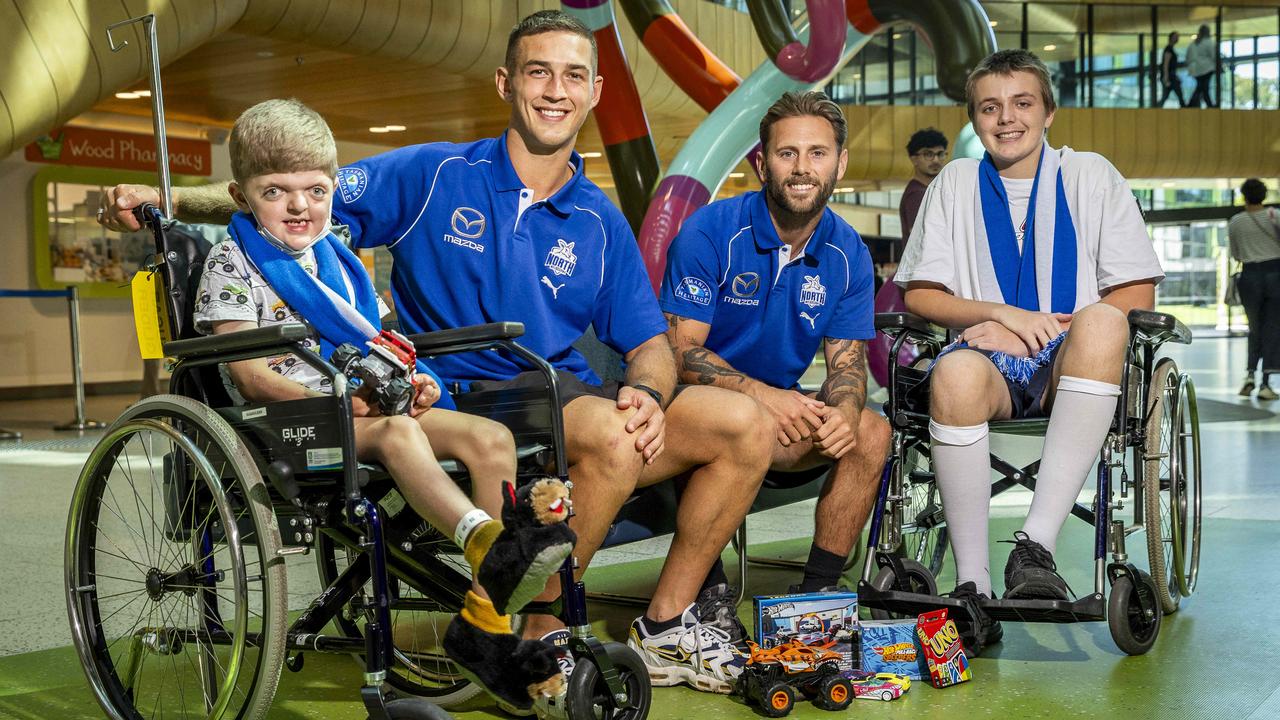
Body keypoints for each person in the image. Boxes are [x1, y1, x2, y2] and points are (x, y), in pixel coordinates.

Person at [101, 11, 773, 695]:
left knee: (744, 426)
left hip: (552, 388)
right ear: (506, 81)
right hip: (458, 384)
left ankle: (664, 626)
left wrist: (650, 392)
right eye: (538, 71)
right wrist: (168, 200)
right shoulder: (433, 173)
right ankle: (538, 631)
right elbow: (293, 190)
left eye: (573, 75)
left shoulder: (598, 217)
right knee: (612, 435)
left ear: (596, 91)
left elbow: (650, 342)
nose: (555, 90)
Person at [193, 98, 573, 710]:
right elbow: (249, 372)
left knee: (490, 438)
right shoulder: (231, 261)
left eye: (316, 190)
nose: (299, 206)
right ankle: (484, 544)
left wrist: (411, 379)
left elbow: (379, 343)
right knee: (399, 437)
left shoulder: (339, 260)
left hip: (364, 401)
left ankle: (483, 616)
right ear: (242, 196)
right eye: (276, 192)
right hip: (285, 417)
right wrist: (346, 402)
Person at [894, 49, 1164, 655]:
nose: (1006, 118)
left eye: (1022, 103)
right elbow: (922, 293)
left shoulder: (1091, 175)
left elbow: (1136, 290)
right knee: (955, 375)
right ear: (974, 119)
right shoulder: (955, 184)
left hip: (1073, 356)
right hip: (986, 357)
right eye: (990, 107)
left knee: (1101, 321)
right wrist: (1002, 316)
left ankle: (1033, 548)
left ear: (1049, 113)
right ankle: (971, 583)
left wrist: (1041, 331)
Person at [661, 92, 890, 608]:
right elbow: (680, 352)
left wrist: (846, 412)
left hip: (776, 415)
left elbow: (847, 365)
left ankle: (816, 599)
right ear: (763, 162)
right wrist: (765, 397)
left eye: (818, 153)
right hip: (690, 412)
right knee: (737, 416)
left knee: (872, 431)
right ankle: (707, 591)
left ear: (840, 161)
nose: (803, 168)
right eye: (788, 153)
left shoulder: (848, 251)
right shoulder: (709, 230)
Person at [1228, 178, 1280, 400]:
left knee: (1254, 327)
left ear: (1243, 196)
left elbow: (1236, 254)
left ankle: (1249, 376)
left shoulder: (1236, 222)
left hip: (1249, 276)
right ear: (1264, 195)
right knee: (1272, 327)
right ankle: (1266, 384)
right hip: (1275, 274)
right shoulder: (1275, 216)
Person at [900, 127, 948, 242]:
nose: (936, 160)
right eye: (928, 154)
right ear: (914, 159)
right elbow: (923, 237)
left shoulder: (930, 191)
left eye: (940, 154)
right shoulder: (916, 194)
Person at [1185, 24, 1217, 108]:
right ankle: (1207, 105)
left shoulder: (1194, 43)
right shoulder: (1209, 42)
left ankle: (1193, 104)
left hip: (1196, 70)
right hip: (1206, 69)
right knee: (1203, 88)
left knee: (1201, 87)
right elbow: (1214, 56)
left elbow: (1188, 57)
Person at [1157, 31, 1187, 108]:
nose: (1177, 39)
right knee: (1177, 94)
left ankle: (1157, 108)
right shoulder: (1168, 49)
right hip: (1170, 76)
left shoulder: (1171, 49)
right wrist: (1166, 77)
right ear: (1171, 38)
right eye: (1175, 37)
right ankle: (1183, 108)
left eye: (1178, 37)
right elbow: (1166, 64)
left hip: (1171, 76)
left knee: (1166, 96)